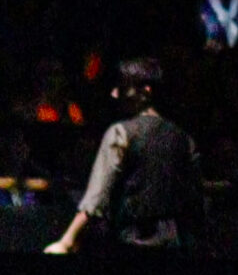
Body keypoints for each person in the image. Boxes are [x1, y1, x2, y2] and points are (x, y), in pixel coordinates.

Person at [44, 57, 204, 254]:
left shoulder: (121, 133)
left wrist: (67, 241)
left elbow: (97, 197)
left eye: (122, 87)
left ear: (146, 91)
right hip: (176, 246)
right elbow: (196, 200)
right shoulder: (184, 139)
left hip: (129, 243)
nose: (114, 94)